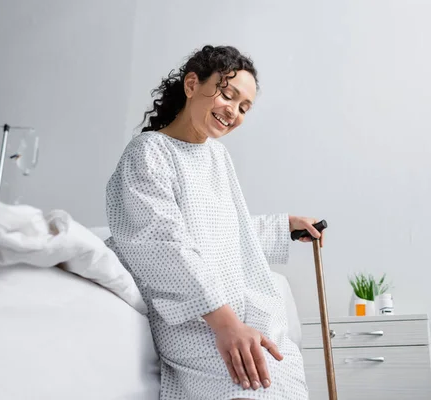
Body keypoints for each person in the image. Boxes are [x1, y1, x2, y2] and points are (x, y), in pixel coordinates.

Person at [105, 45, 323, 400]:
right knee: (248, 388)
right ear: (192, 84)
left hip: (243, 312)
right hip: (198, 321)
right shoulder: (149, 152)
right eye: (227, 94)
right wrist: (228, 325)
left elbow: (225, 232)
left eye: (244, 107)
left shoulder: (217, 156)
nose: (233, 112)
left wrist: (284, 225)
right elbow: (162, 246)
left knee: (283, 380)